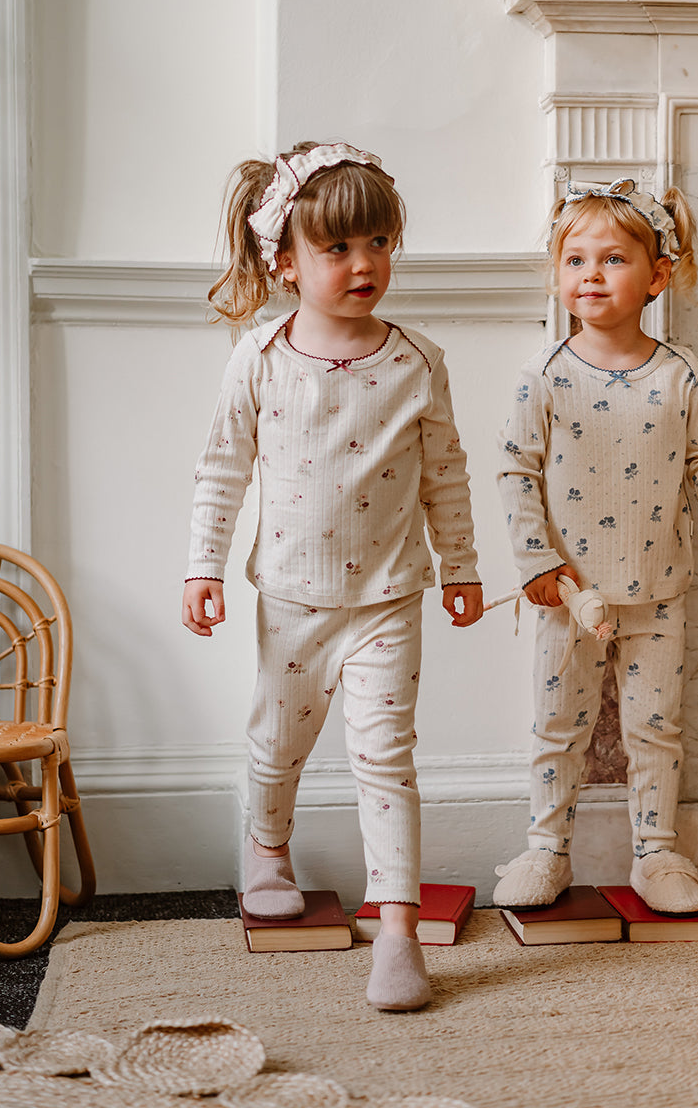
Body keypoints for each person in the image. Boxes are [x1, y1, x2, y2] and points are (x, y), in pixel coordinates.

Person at [182, 141, 483, 1009]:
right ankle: (266, 850)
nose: (365, 264)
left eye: (379, 243)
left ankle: (397, 931)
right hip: (292, 600)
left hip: (390, 599)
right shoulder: (260, 358)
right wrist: (203, 567)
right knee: (278, 743)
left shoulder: (417, 360)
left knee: (386, 759)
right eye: (339, 248)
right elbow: (222, 470)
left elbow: (446, 475)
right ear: (285, 261)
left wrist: (460, 566)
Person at [493, 178, 698, 916]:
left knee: (655, 729)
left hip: (659, 588)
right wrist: (537, 563)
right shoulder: (544, 376)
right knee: (558, 727)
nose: (591, 275)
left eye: (612, 259)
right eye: (575, 260)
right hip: (568, 593)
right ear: (557, 273)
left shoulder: (679, 373)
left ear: (657, 276)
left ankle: (657, 851)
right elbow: (515, 472)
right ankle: (546, 848)